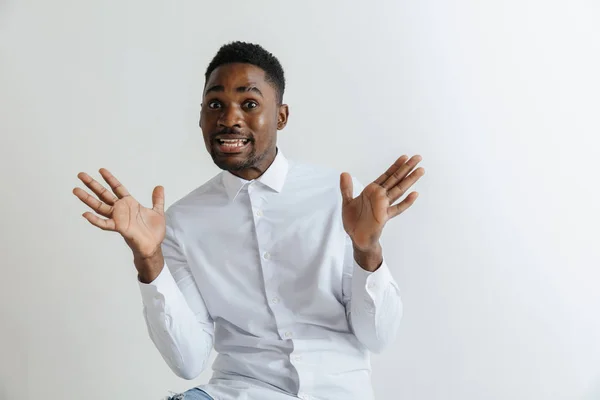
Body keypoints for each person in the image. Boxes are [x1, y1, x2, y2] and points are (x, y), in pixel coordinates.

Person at [72, 41, 425, 400]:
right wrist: (149, 260)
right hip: (243, 391)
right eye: (215, 105)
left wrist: (368, 251)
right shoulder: (180, 222)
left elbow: (377, 337)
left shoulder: (341, 199)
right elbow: (188, 362)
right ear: (200, 117)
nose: (229, 118)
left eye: (250, 103)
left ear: (282, 116)